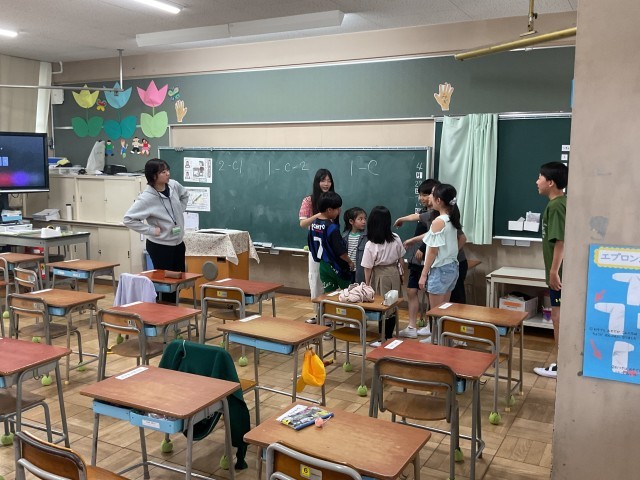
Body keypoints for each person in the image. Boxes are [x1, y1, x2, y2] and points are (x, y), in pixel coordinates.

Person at [123, 158, 189, 303]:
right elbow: (128, 219)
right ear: (153, 176)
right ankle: (163, 310)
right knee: (165, 283)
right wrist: (151, 230)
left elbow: (185, 195)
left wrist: (179, 210)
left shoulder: (174, 185)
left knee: (178, 280)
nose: (168, 174)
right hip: (160, 246)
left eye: (167, 170)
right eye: (163, 172)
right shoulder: (146, 198)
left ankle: (173, 310)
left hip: (178, 243)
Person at [533, 161, 568, 379]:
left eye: (540, 177)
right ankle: (561, 363)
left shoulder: (556, 206)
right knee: (557, 316)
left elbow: (560, 241)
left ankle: (561, 366)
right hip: (559, 272)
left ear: (551, 182)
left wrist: (554, 272)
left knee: (558, 318)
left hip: (560, 275)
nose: (537, 181)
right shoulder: (558, 203)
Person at [393, 179, 441, 338]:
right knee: (411, 290)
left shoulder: (439, 214)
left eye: (425, 195)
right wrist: (402, 219)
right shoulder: (425, 211)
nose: (422, 198)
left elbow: (433, 235)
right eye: (420, 194)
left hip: (428, 258)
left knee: (430, 293)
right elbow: (416, 217)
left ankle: (431, 326)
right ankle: (412, 327)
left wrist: (422, 247)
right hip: (416, 259)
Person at [415, 184, 461, 341]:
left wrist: (423, 275)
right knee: (444, 309)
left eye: (432, 195)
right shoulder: (451, 218)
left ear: (439, 201)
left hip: (440, 269)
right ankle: (443, 337)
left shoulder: (438, 221)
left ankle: (436, 338)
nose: (429, 198)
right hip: (452, 267)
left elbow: (432, 251)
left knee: (436, 311)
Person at [362, 206, 405, 341]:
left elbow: (367, 267)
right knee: (392, 305)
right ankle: (389, 335)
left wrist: (367, 284)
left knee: (383, 305)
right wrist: (401, 274)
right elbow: (401, 259)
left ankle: (383, 338)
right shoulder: (396, 238)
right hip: (394, 272)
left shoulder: (371, 244)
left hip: (380, 274)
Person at [299, 169, 336, 322]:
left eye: (329, 180)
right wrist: (318, 216)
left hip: (331, 246)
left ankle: (332, 314)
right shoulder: (309, 200)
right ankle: (319, 315)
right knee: (315, 280)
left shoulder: (334, 199)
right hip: (315, 247)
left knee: (332, 280)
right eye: (323, 180)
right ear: (317, 182)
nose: (326, 184)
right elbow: (302, 223)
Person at [307, 191, 354, 293]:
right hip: (336, 266)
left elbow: (311, 245)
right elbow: (340, 252)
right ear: (329, 210)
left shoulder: (312, 224)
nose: (339, 211)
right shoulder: (332, 228)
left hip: (323, 266)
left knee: (329, 294)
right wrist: (350, 262)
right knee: (347, 294)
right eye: (337, 209)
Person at [342, 207, 367, 283]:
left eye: (365, 219)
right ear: (351, 221)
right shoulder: (345, 236)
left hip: (361, 271)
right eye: (360, 219)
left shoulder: (366, 236)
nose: (364, 222)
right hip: (349, 269)